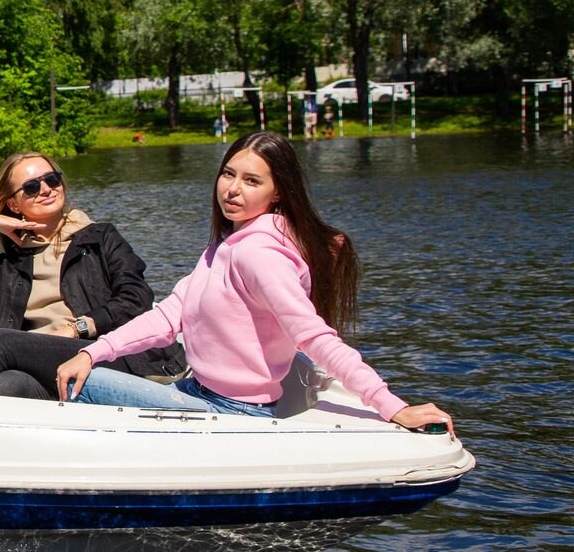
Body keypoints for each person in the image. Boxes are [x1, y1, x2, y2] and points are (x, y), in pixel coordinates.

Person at [54, 131, 453, 433]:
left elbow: (315, 336)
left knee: (82, 386)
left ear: (278, 192)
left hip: (232, 414)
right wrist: (95, 350)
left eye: (251, 181)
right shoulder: (227, 243)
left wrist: (391, 405)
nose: (232, 189)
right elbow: (168, 316)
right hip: (196, 393)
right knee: (82, 368)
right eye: (228, 174)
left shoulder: (257, 254)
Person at [0, 152, 183, 399]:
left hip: (104, 355)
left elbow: (136, 298)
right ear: (13, 204)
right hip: (46, 367)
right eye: (31, 187)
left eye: (52, 179)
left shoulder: (100, 239)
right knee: (8, 384)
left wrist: (76, 328)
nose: (47, 189)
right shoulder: (13, 263)